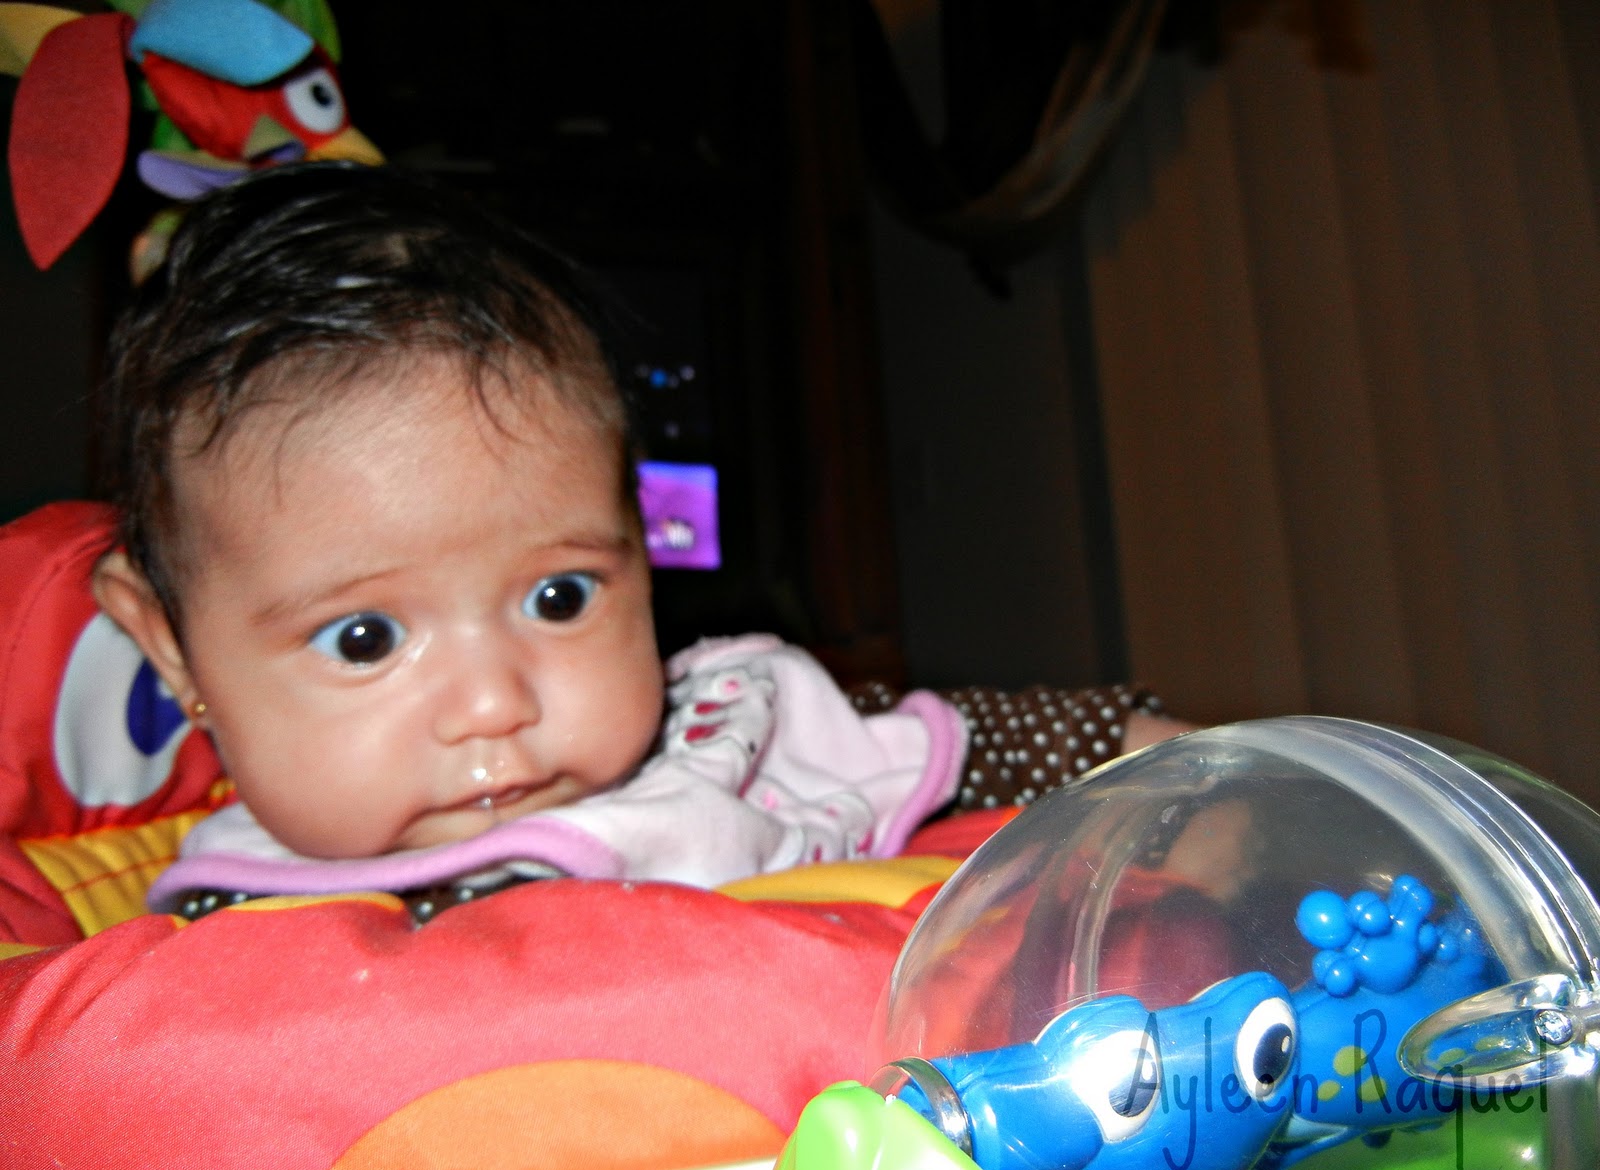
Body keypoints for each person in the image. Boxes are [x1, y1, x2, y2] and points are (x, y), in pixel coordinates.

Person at [85, 161, 1192, 923]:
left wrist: (1180, 761)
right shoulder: (231, 934)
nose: (494, 705)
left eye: (559, 597)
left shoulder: (722, 732)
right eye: (365, 638)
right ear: (172, 648)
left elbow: (946, 741)